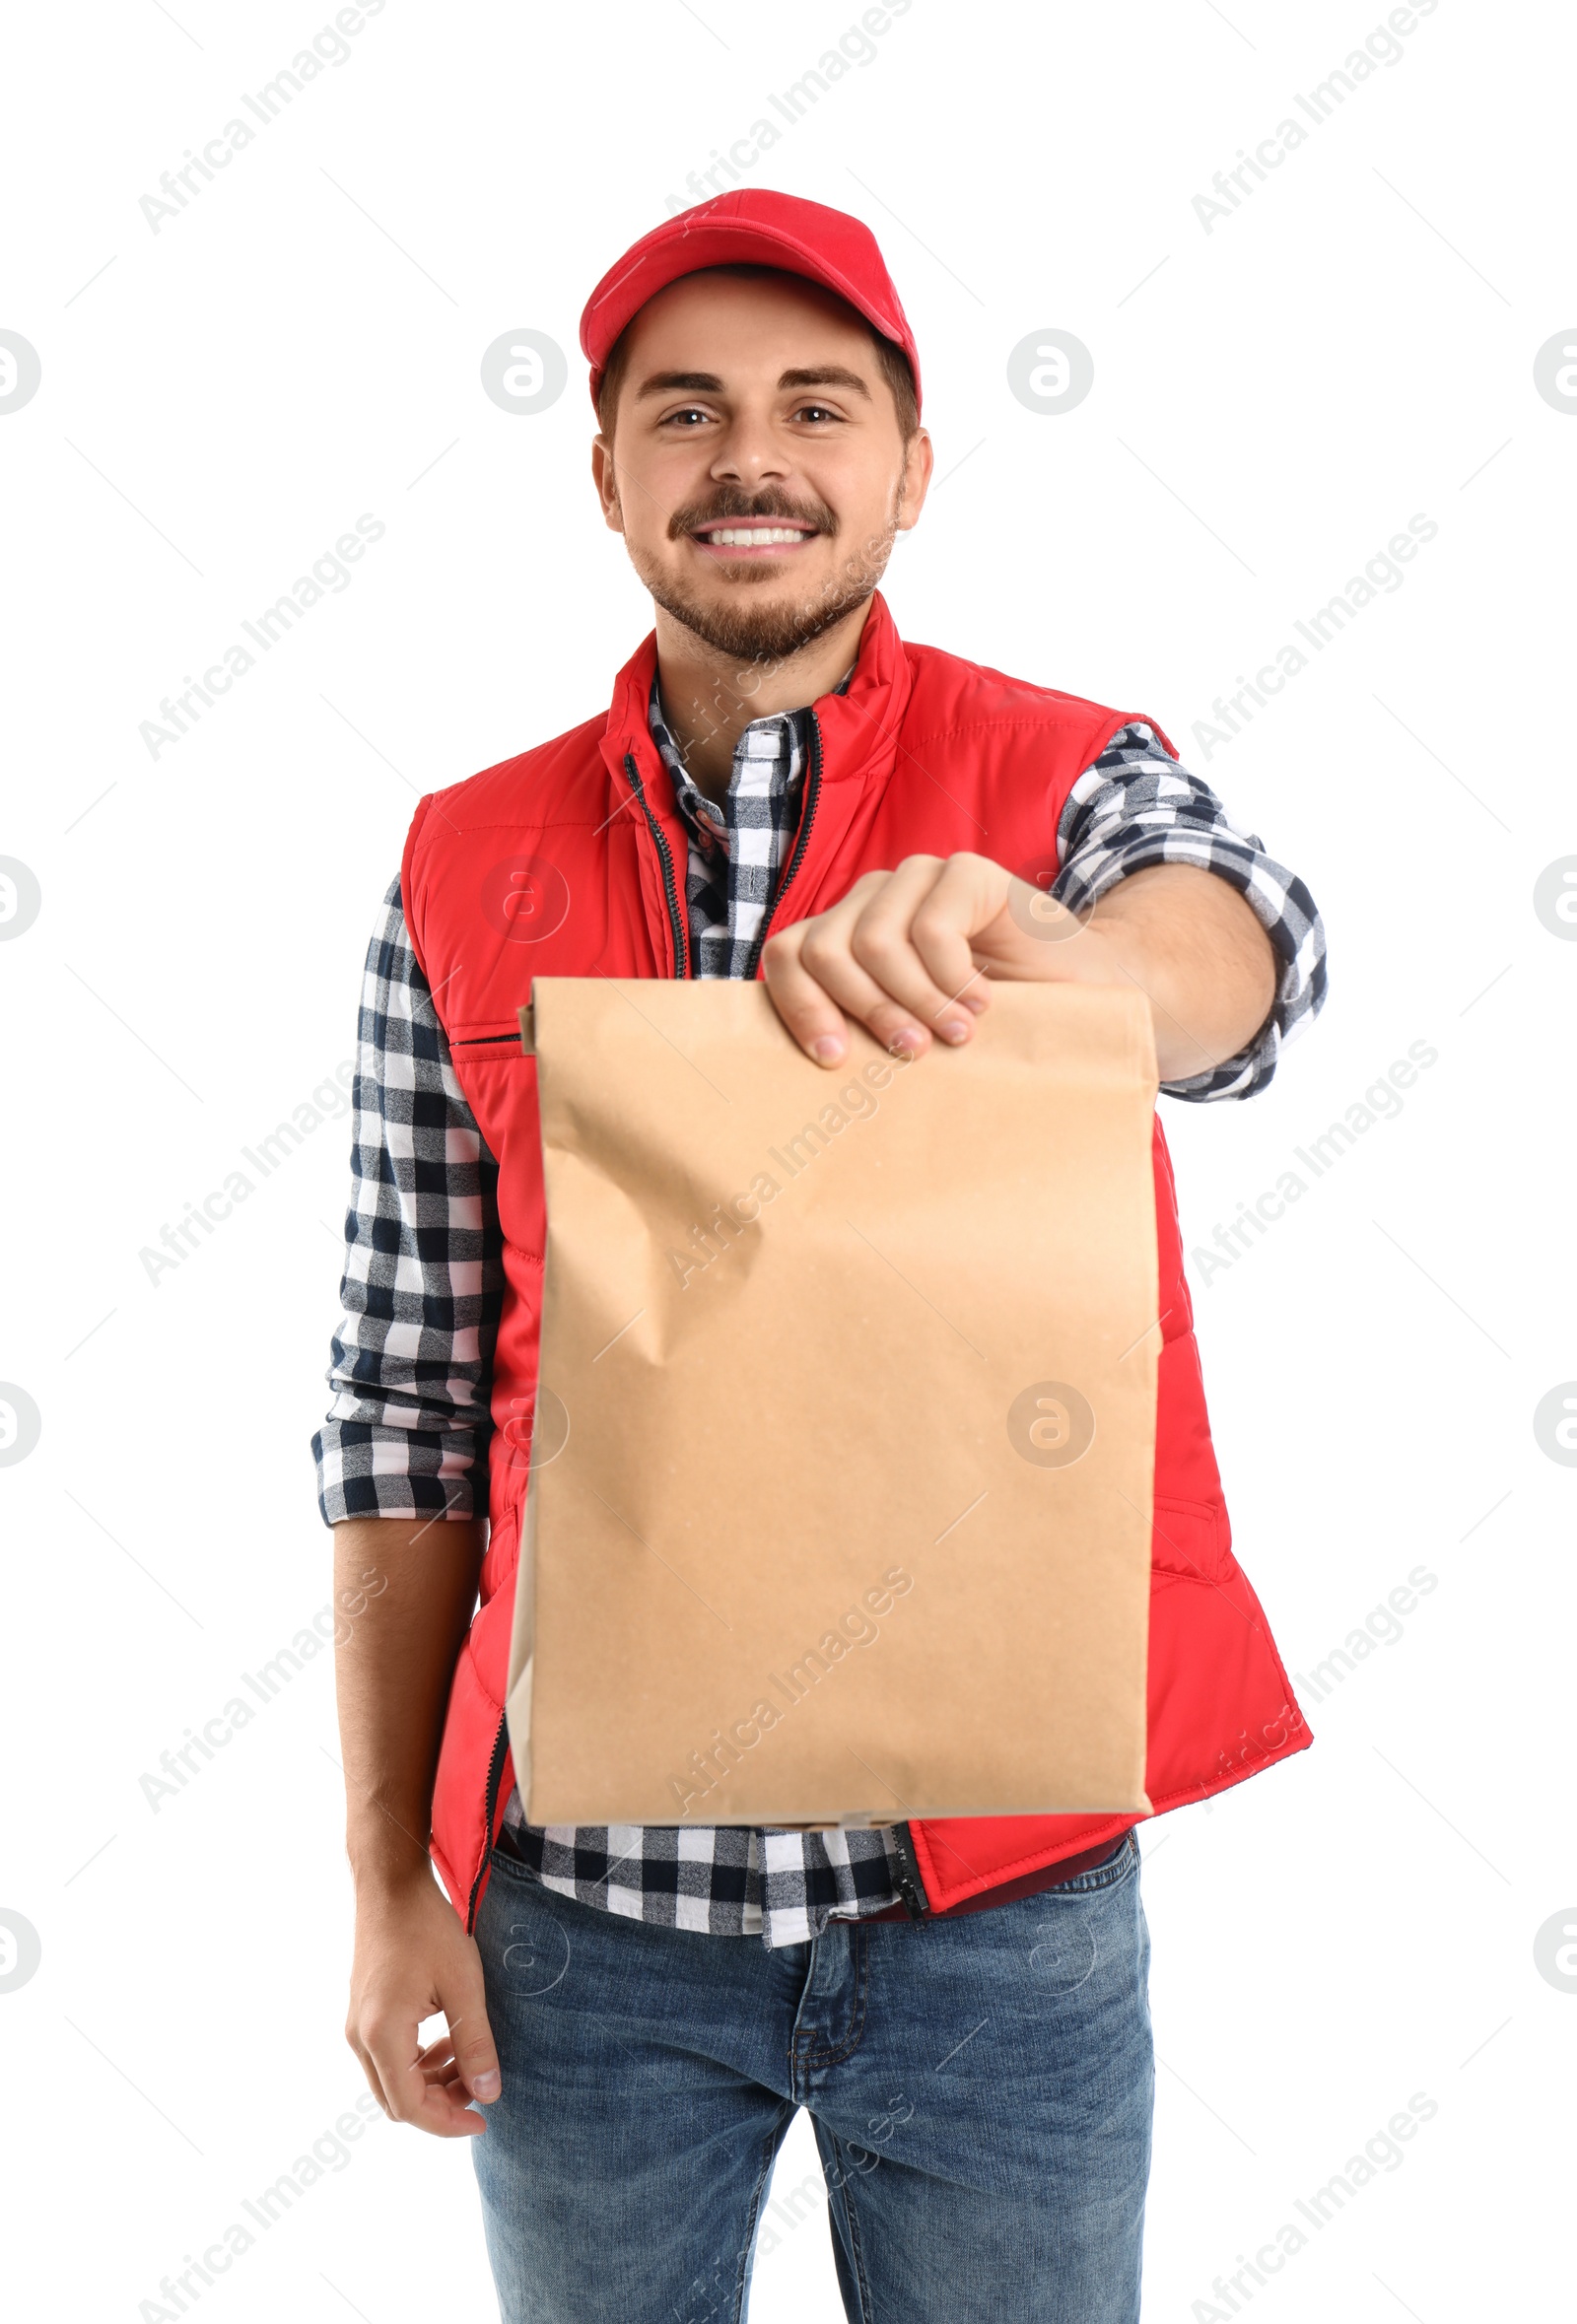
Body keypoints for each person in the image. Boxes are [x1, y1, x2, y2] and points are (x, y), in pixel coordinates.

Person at [315, 189, 1326, 2324]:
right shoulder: (462, 858)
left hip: (999, 1917)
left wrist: (1077, 972)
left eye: (814, 405)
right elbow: (400, 1405)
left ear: (907, 469)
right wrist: (386, 1884)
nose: (748, 457)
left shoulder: (1056, 774)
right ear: (606, 477)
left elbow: (1242, 947)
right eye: (682, 414)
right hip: (580, 1928)